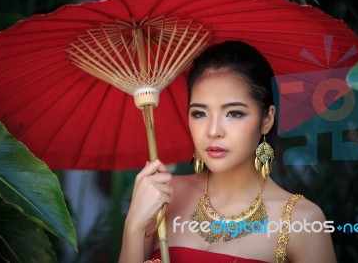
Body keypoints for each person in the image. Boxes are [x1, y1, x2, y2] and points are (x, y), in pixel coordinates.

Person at [118, 41, 337, 263]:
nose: (213, 131)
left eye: (234, 113)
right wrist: (134, 226)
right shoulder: (162, 197)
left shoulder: (302, 221)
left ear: (267, 119)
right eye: (200, 114)